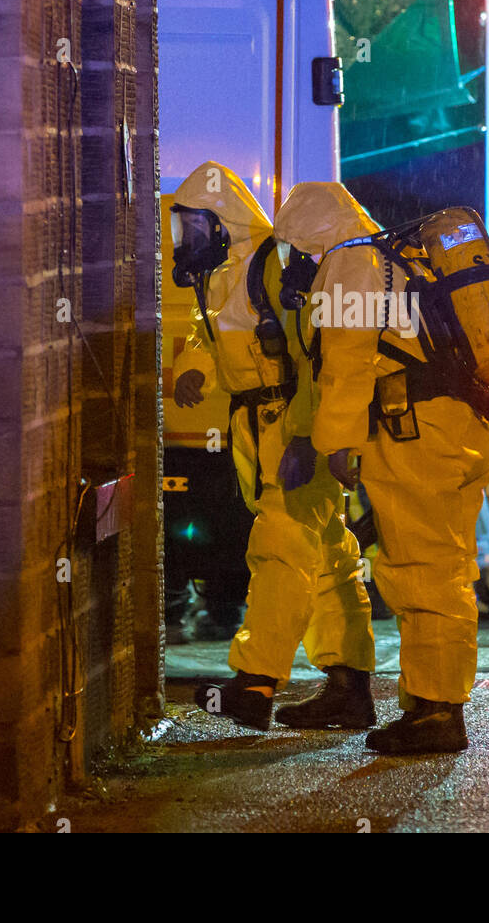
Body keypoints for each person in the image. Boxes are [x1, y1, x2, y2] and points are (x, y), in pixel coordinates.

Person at [273, 182, 489, 755]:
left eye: (296, 247)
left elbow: (347, 365)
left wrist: (334, 443)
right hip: (462, 425)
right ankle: (434, 700)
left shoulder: (349, 264)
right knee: (445, 563)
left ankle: (436, 712)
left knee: (422, 568)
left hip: (416, 434)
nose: (295, 261)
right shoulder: (401, 256)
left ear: (313, 234)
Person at [171, 162, 375, 732]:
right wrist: (193, 368)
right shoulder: (219, 274)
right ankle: (348, 686)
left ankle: (256, 682)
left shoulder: (272, 265)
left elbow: (316, 354)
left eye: (193, 226)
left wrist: (311, 437)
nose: (185, 239)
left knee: (280, 545)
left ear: (222, 221)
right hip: (260, 427)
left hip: (289, 423)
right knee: (331, 556)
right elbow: (205, 330)